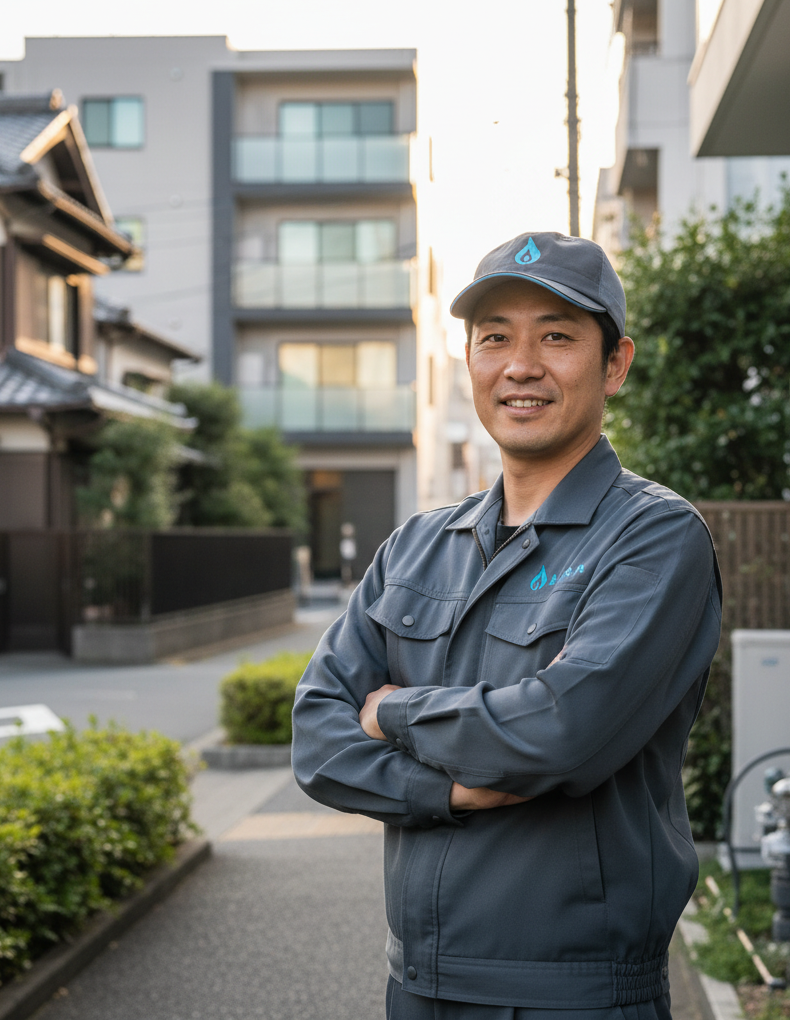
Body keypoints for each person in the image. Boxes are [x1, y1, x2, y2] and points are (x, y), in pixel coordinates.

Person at [291, 232, 723, 1020]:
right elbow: (318, 738)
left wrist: (392, 711)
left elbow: (564, 730)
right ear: (470, 361)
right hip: (417, 987)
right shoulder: (417, 546)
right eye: (495, 338)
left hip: (576, 997)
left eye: (555, 336)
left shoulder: (654, 537)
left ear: (615, 364)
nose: (520, 366)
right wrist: (449, 789)